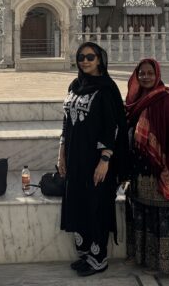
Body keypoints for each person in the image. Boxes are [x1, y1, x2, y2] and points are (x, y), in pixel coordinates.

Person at [59, 42, 128, 277]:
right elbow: (66, 122)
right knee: (78, 203)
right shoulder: (75, 85)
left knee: (96, 206)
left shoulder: (107, 88)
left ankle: (99, 258)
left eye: (90, 57)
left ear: (99, 59)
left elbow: (115, 126)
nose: (85, 61)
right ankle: (86, 253)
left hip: (96, 161)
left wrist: (105, 159)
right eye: (81, 57)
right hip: (75, 158)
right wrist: (62, 154)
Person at [124, 58, 169, 276]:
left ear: (157, 74)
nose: (146, 77)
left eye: (150, 73)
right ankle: (145, 258)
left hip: (160, 170)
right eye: (142, 73)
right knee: (143, 214)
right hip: (139, 170)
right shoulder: (134, 100)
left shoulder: (167, 98)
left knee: (162, 216)